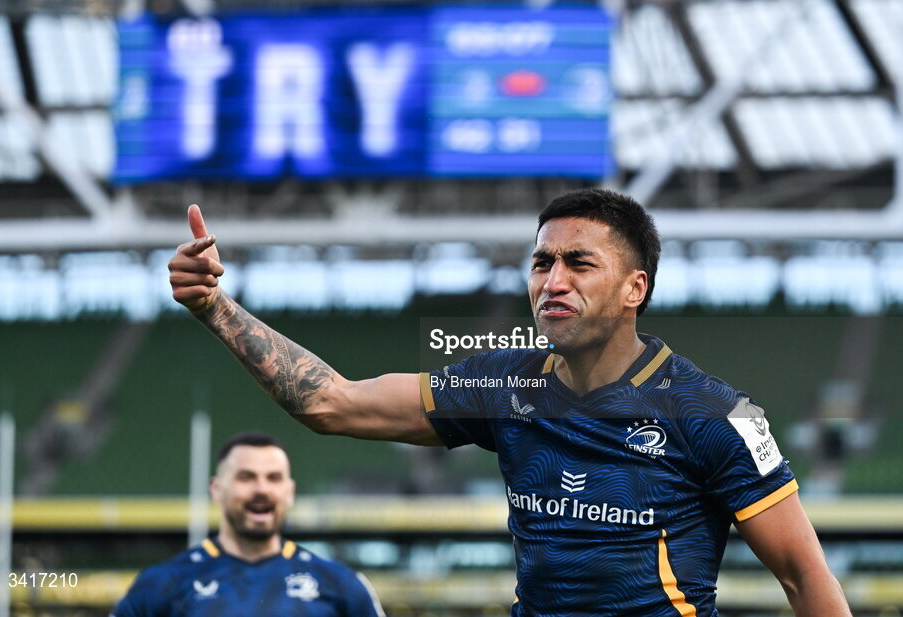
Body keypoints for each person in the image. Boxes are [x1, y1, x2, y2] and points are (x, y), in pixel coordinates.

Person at [168, 189, 851, 616]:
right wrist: (214, 307)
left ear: (633, 288)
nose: (552, 280)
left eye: (579, 263)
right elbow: (333, 403)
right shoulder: (506, 384)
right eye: (541, 262)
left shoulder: (715, 414)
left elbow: (802, 572)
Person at [112, 432, 385, 617]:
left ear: (289, 492)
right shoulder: (162, 584)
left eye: (274, 478)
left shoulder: (341, 585)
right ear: (217, 489)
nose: (261, 489)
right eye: (246, 477)